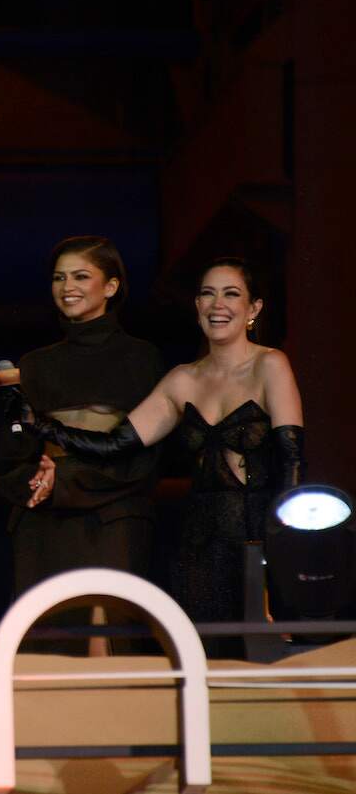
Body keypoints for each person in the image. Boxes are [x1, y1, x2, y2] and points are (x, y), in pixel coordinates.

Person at [30, 257, 305, 658]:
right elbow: (114, 444)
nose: (218, 304)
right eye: (208, 294)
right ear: (197, 307)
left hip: (257, 540)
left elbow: (293, 461)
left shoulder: (270, 365)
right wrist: (42, 427)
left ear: (254, 309)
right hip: (197, 546)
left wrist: (284, 545)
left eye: (231, 294)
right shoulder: (182, 379)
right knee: (201, 662)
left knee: (262, 662)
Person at [0, 236, 163, 655]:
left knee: (111, 660)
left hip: (112, 526)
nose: (67, 286)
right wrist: (36, 482)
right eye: (59, 277)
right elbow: (8, 457)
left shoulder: (142, 359)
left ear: (111, 286)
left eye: (81, 276)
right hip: (43, 529)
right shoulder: (33, 364)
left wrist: (63, 478)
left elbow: (144, 459)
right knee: (46, 665)